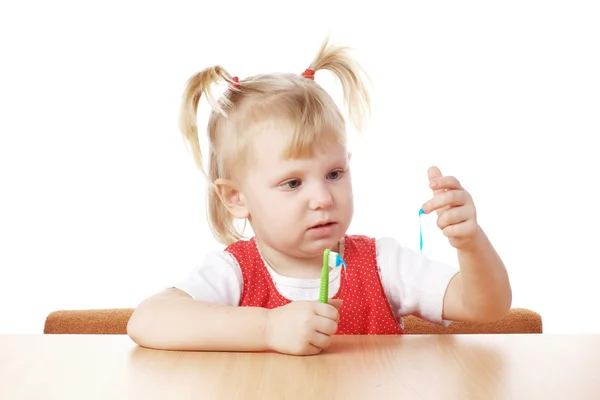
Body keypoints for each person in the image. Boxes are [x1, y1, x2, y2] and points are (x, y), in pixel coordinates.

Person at [127, 38, 512, 356]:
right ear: (236, 198)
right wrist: (267, 329)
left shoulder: (383, 265)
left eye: (334, 174)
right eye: (292, 183)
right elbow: (147, 320)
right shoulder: (234, 273)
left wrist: (470, 244)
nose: (323, 198)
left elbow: (486, 306)